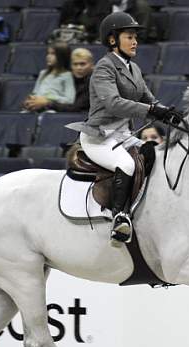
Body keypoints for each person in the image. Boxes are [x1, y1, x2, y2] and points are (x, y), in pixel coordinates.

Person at [68, 12, 181, 245]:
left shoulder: (134, 68)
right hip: (100, 137)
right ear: (113, 40)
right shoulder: (103, 68)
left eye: (135, 37)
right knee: (127, 164)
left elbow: (149, 98)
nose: (135, 41)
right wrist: (152, 110)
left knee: (156, 154)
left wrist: (169, 114)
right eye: (129, 37)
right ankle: (119, 217)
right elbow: (113, 103)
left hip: (123, 136)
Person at [24, 47, 94, 113]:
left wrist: (47, 103)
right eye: (75, 64)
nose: (79, 68)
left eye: (82, 64)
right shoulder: (67, 78)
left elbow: (76, 108)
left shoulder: (94, 82)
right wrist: (32, 101)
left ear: (92, 65)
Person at [23, 43, 76, 112]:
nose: (48, 56)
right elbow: (35, 92)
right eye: (48, 53)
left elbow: (69, 100)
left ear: (62, 56)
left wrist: (48, 99)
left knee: (50, 113)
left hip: (51, 109)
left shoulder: (67, 75)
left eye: (53, 54)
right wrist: (31, 100)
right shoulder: (43, 73)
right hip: (36, 107)